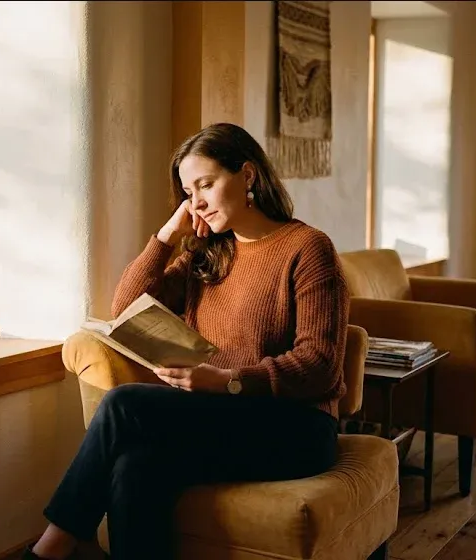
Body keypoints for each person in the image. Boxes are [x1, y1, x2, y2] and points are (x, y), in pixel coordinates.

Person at [25, 123, 350, 560]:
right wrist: (167, 236)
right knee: (133, 467)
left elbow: (321, 364)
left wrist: (230, 380)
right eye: (187, 192)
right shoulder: (208, 252)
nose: (195, 202)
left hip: (296, 426)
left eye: (206, 185)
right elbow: (126, 309)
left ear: (248, 175)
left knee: (123, 403)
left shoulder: (308, 248)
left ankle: (51, 548)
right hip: (219, 416)